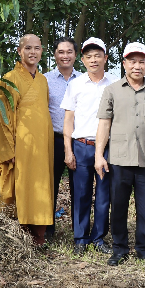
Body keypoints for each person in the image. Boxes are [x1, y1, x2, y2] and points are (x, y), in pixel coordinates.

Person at [95, 42, 145, 267]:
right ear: (124, 64)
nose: (137, 66)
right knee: (119, 207)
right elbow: (104, 124)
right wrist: (98, 155)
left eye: (142, 61)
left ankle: (144, 250)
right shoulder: (112, 90)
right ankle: (119, 249)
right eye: (132, 61)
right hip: (119, 159)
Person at [0, 34, 54, 246]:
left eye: (37, 48)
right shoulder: (9, 78)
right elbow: (2, 117)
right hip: (21, 146)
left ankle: (39, 234)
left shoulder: (43, 80)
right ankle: (18, 234)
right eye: (28, 48)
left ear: (42, 52)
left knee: (41, 186)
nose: (33, 52)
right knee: (20, 186)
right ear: (20, 51)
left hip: (43, 144)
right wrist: (9, 150)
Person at [60, 37, 115, 255]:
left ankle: (99, 237)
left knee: (103, 195)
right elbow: (68, 119)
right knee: (81, 193)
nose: (93, 60)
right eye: (89, 56)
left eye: (97, 56)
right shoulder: (75, 85)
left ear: (105, 58)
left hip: (107, 147)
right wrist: (68, 149)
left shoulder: (115, 83)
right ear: (82, 59)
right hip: (81, 145)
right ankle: (80, 238)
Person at [43, 37, 80, 241]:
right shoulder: (44, 80)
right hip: (53, 140)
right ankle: (47, 230)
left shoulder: (84, 79)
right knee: (50, 185)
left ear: (75, 55)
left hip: (79, 140)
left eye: (69, 52)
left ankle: (79, 231)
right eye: (61, 52)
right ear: (55, 54)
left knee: (79, 187)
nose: (65, 56)